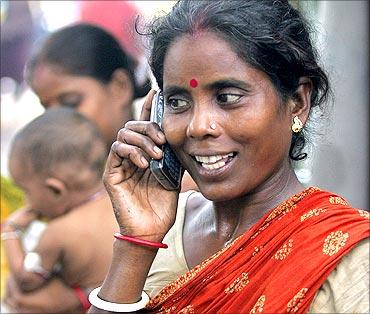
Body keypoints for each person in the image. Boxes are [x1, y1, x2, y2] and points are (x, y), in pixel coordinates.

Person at [87, 0, 369, 313]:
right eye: (179, 101)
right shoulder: (162, 231)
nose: (198, 126)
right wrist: (135, 244)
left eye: (228, 97)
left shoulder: (351, 257)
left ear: (298, 102)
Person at [1, 107, 118, 312]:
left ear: (55, 190)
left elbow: (26, 280)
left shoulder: (57, 233)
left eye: (26, 191)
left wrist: (10, 231)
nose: (26, 202)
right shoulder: (121, 200)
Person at [24, 23, 151, 150]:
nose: (56, 121)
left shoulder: (161, 162)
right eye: (48, 111)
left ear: (120, 87)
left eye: (70, 103)